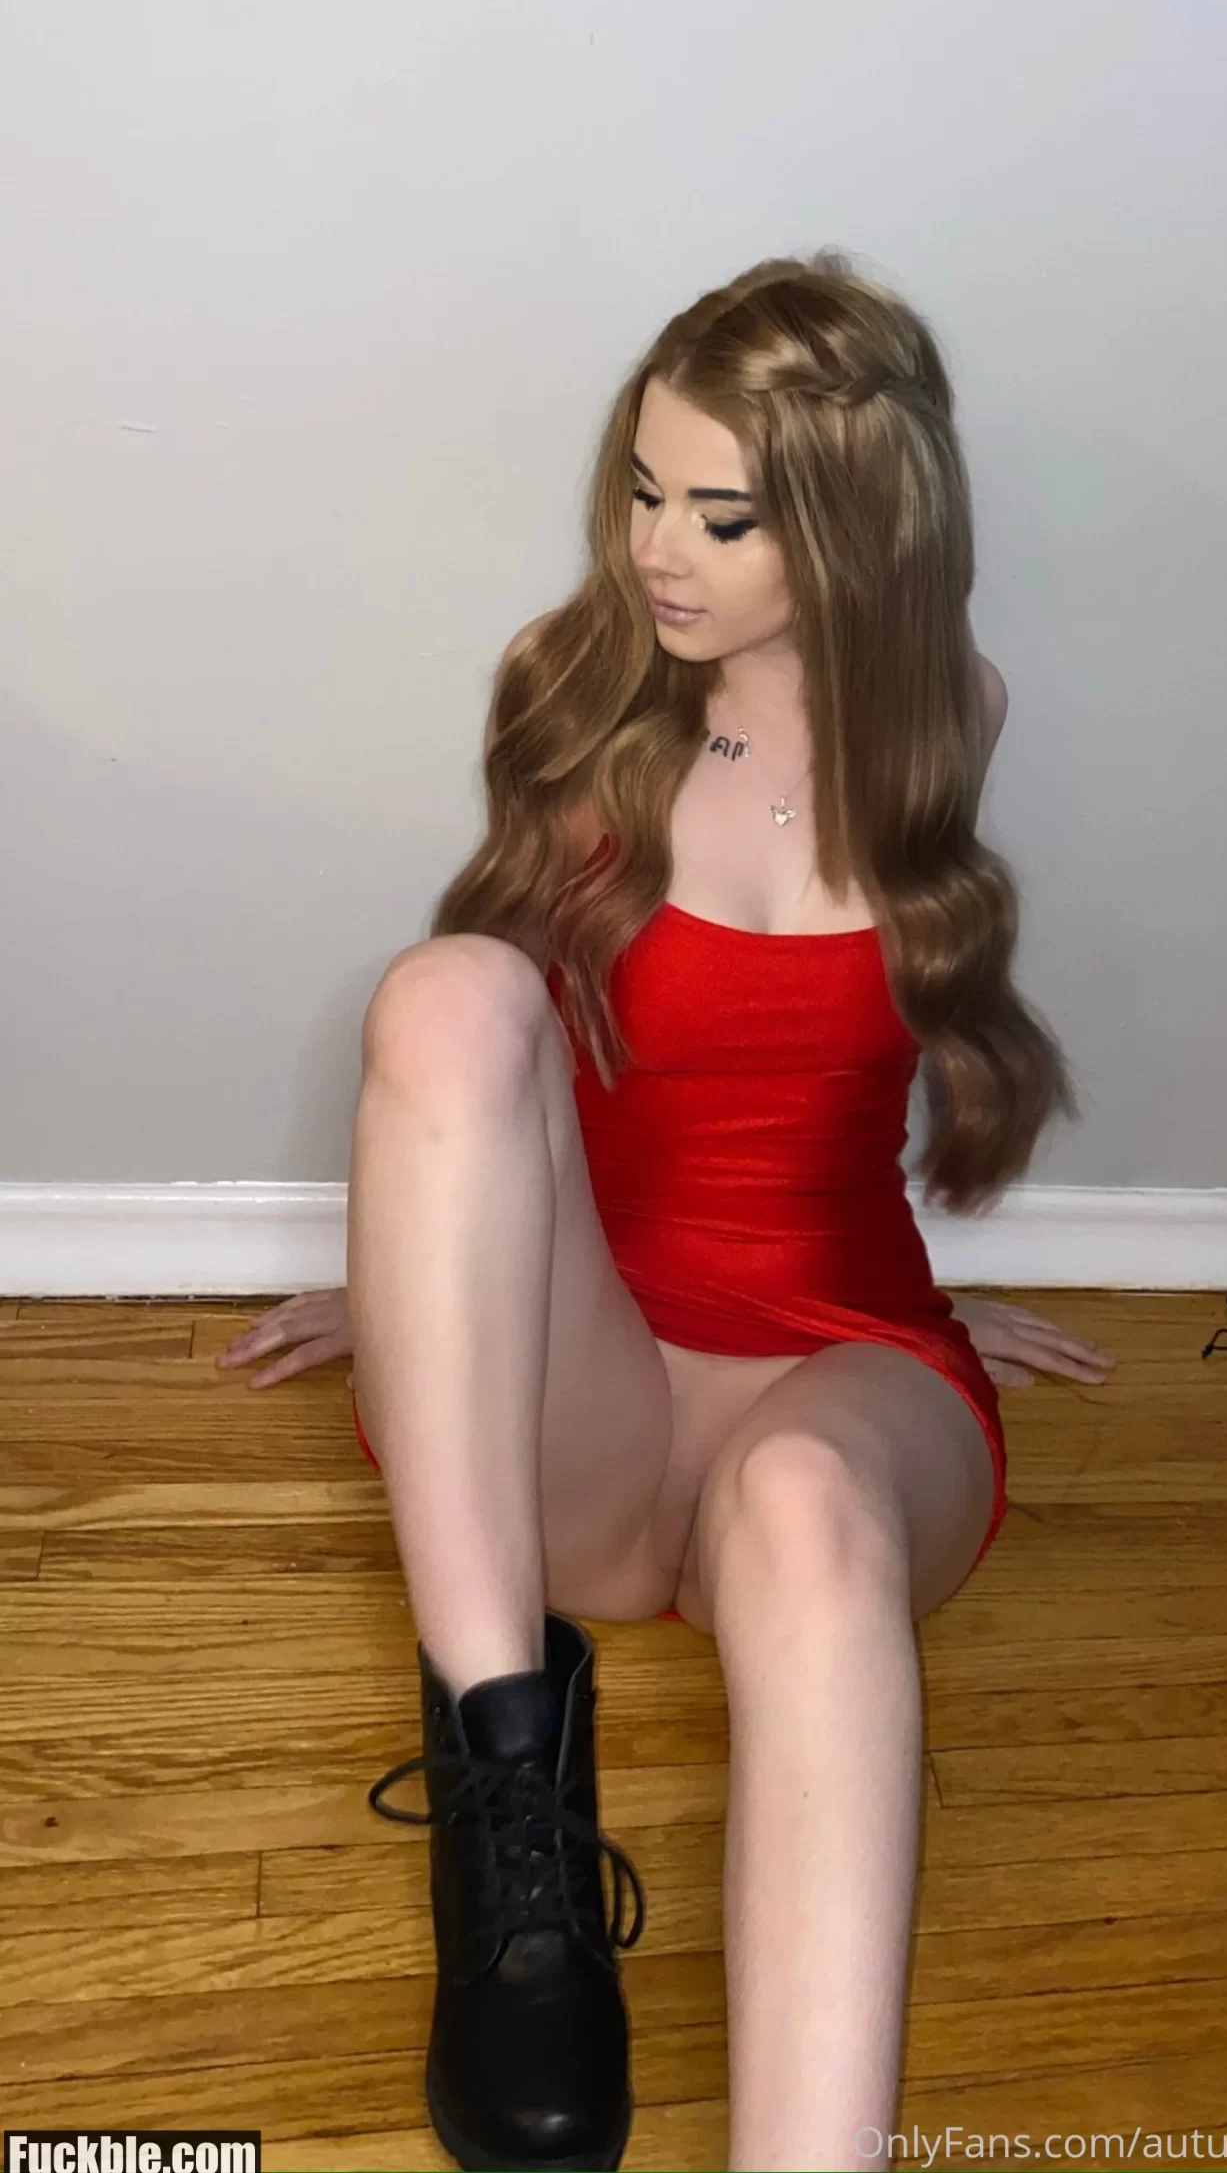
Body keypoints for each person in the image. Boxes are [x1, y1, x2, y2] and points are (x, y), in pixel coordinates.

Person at [218, 250, 1114, 2173]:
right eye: (641, 489)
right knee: (448, 990)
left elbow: (830, 1079)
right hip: (595, 1399)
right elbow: (491, 1077)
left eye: (720, 515)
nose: (654, 550)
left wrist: (935, 1319)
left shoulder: (957, 715)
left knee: (804, 1503)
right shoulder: (579, 696)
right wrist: (414, 1290)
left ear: (855, 532)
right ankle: (512, 1838)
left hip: (846, 1372)